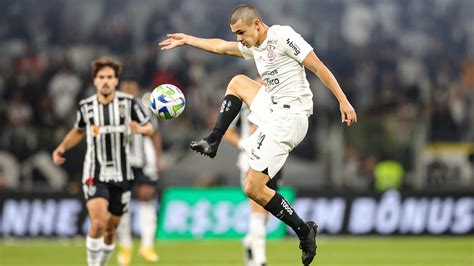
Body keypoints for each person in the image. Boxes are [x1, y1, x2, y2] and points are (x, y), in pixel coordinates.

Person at [160, 4, 357, 265]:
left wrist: (343, 101)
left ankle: (304, 231)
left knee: (253, 188)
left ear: (256, 24)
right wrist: (188, 40)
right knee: (238, 82)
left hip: (291, 117)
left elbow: (318, 67)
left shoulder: (283, 36)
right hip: (273, 109)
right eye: (235, 33)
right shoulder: (254, 46)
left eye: (240, 31)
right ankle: (213, 140)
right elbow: (221, 46)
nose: (238, 38)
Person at [52, 57, 154, 266]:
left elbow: (150, 128)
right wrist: (62, 147)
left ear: (116, 81)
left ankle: (103, 263)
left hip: (122, 174)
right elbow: (78, 131)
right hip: (94, 172)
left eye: (110, 77)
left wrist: (139, 129)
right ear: (95, 81)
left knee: (110, 229)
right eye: (101, 77)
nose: (105, 81)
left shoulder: (128, 104)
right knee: (98, 223)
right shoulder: (86, 107)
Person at [223, 83, 283, 266]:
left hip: (274, 158)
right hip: (250, 159)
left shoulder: (279, 102)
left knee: (265, 212)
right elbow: (228, 131)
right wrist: (244, 144)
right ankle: (259, 260)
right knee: (257, 207)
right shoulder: (244, 107)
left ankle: (250, 241)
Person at [116, 80, 162, 265]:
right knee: (122, 202)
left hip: (145, 160)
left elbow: (155, 133)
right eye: (125, 87)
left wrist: (158, 158)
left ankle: (147, 245)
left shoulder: (146, 107)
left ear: (137, 89)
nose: (128, 90)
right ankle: (125, 246)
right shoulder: (112, 109)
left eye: (131, 87)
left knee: (147, 196)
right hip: (121, 160)